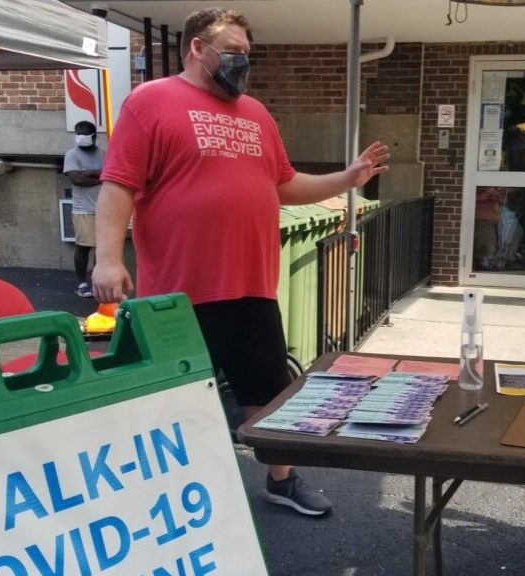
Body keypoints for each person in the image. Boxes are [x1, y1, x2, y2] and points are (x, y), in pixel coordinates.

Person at [91, 8, 389, 517]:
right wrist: (108, 259)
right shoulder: (150, 102)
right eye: (232, 50)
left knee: (268, 390)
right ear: (197, 49)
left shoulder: (255, 113)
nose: (241, 61)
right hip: (180, 292)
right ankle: (172, 495)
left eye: (247, 53)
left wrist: (346, 178)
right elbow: (118, 184)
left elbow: (284, 184)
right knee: (175, 398)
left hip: (252, 284)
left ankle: (281, 479)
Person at [64, 120, 104, 297]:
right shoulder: (71, 155)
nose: (81, 138)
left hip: (103, 207)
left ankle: (97, 282)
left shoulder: (104, 153)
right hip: (83, 208)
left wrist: (88, 173)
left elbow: (111, 172)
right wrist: (100, 176)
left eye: (85, 134)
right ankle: (81, 284)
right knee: (83, 246)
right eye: (78, 134)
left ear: (94, 136)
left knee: (101, 248)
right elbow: (76, 180)